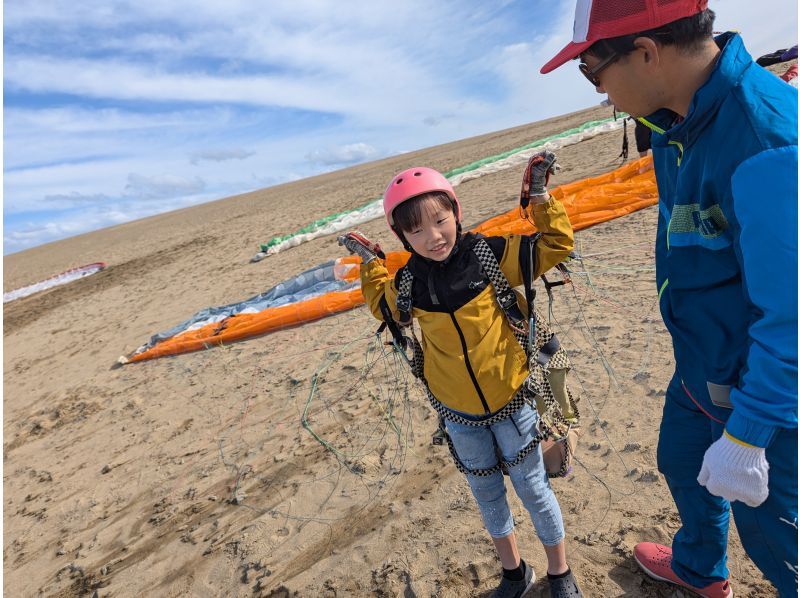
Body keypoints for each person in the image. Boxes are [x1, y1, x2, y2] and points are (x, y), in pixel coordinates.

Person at [540, 1, 798, 597]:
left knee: (775, 536)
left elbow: (794, 321)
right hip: (700, 366)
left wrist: (750, 434)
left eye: (592, 70)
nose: (599, 93)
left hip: (762, 392)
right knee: (683, 464)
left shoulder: (766, 143)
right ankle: (701, 570)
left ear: (647, 51)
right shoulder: (671, 124)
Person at [339, 153, 583, 598]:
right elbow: (383, 306)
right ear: (401, 236)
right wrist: (371, 263)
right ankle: (514, 574)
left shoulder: (488, 256)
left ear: (456, 211)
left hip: (513, 399)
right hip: (459, 415)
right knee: (488, 496)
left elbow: (556, 245)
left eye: (440, 220)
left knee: (533, 489)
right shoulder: (409, 282)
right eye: (415, 230)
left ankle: (560, 574)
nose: (432, 237)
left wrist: (541, 197)